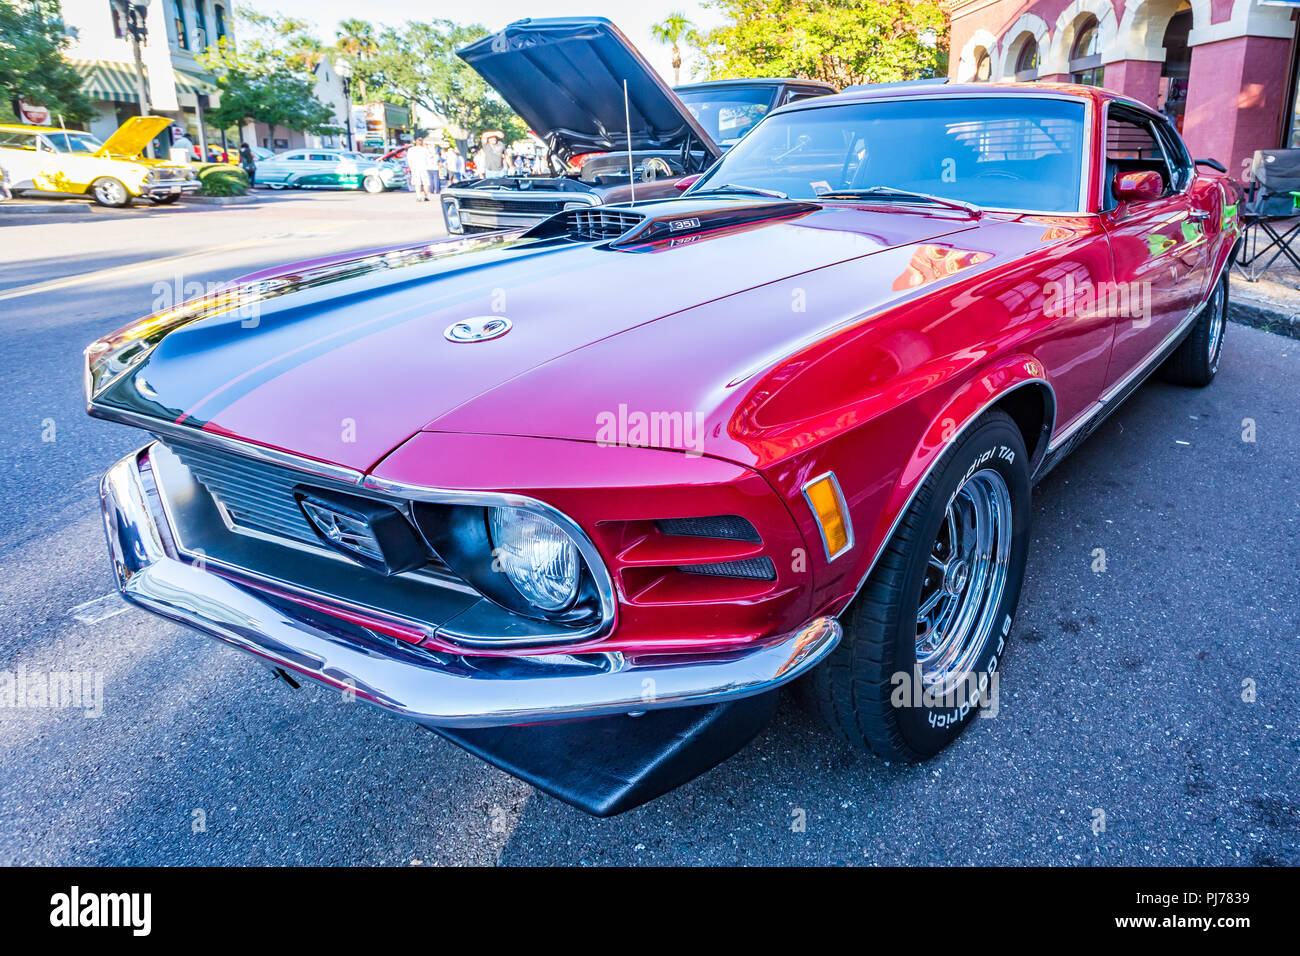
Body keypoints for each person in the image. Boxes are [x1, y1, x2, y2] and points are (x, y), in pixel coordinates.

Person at [406, 137, 431, 201]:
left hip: (415, 168)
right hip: (424, 167)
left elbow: (409, 160)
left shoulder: (411, 150)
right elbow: (429, 159)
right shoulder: (425, 150)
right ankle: (426, 196)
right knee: (426, 183)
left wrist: (411, 168)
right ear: (422, 143)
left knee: (417, 183)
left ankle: (418, 196)